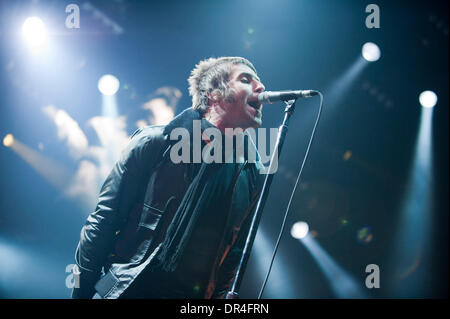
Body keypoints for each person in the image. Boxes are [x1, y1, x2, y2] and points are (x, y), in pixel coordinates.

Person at [72, 57, 266, 299]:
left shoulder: (251, 175)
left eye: (259, 83)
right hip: (128, 291)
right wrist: (81, 293)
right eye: (246, 80)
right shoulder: (155, 143)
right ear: (214, 93)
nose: (261, 88)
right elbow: (102, 222)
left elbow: (234, 256)